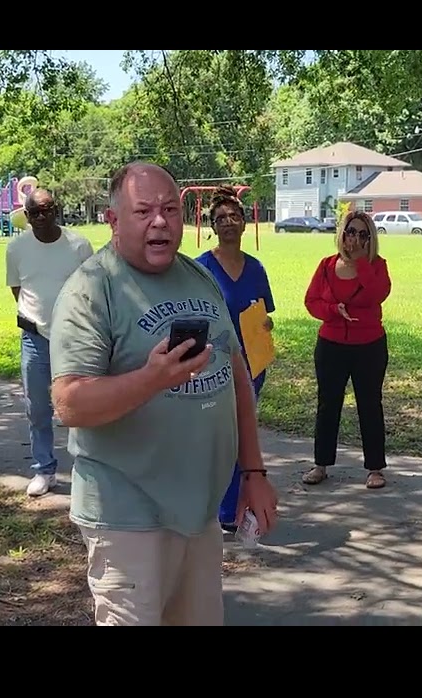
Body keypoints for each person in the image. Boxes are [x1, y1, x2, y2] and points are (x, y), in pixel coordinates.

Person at [49, 161, 278, 626]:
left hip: (200, 512)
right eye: (144, 211)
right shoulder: (92, 289)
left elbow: (236, 373)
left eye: (171, 210)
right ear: (113, 220)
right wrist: (151, 379)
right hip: (127, 517)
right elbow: (69, 402)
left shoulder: (200, 276)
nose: (160, 222)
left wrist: (253, 472)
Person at [195, 187, 275, 533]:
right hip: (214, 365)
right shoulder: (201, 268)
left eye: (234, 216)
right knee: (219, 438)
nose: (228, 222)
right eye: (220, 218)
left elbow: (265, 313)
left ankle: (233, 509)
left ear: (244, 223)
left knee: (242, 435)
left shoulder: (256, 268)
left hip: (252, 364)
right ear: (213, 226)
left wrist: (266, 324)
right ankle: (214, 506)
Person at [5, 187, 94, 497]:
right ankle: (45, 469)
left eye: (47, 210)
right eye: (35, 213)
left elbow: (91, 290)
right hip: (34, 337)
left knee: (79, 405)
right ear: (26, 216)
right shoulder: (16, 249)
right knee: (37, 407)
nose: (42, 217)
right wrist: (37, 318)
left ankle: (87, 470)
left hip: (73, 337)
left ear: (56, 210)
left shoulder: (78, 245)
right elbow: (17, 289)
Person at [301, 210, 392, 489]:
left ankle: (375, 468)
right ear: (342, 234)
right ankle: (321, 464)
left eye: (363, 234)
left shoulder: (377, 266)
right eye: (351, 231)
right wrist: (333, 310)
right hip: (331, 344)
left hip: (369, 346)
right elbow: (311, 301)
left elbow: (378, 294)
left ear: (370, 239)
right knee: (328, 404)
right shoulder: (327, 265)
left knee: (370, 404)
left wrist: (362, 262)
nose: (355, 238)